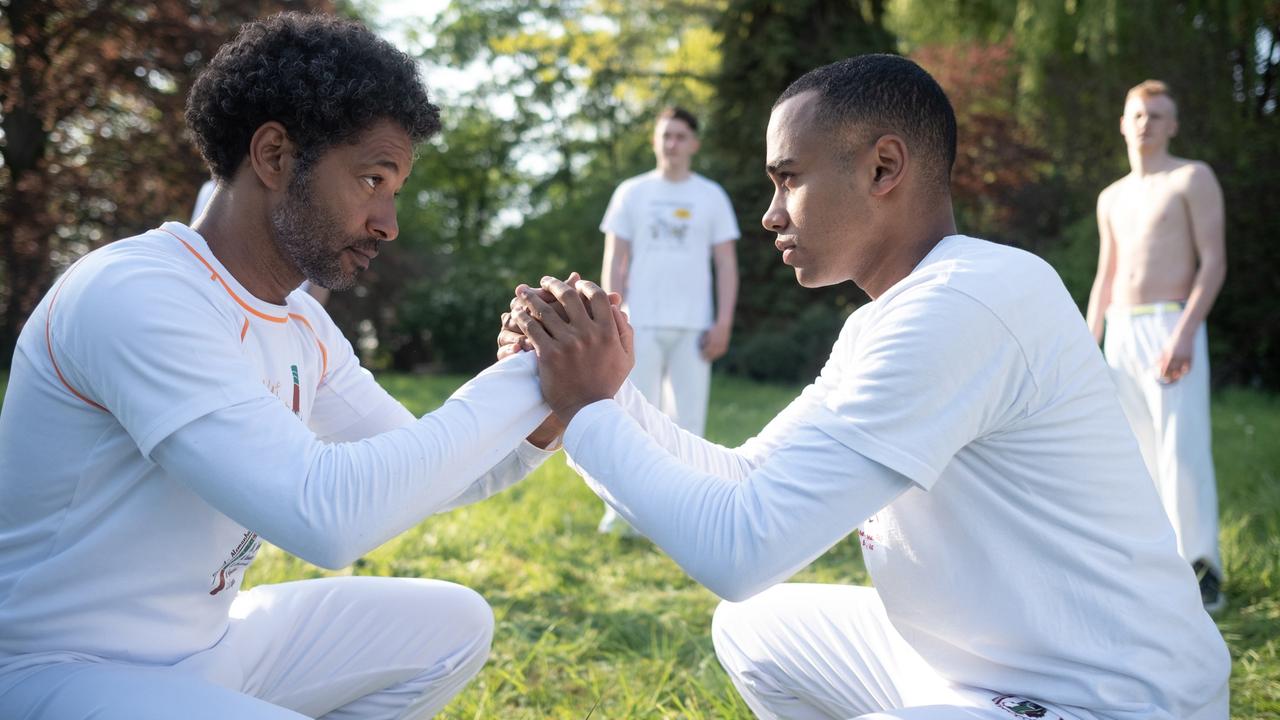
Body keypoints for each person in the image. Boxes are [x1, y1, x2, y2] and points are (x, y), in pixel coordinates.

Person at [503, 55, 1229, 719]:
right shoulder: (888, 318)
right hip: (965, 675)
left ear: (885, 168)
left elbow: (741, 550)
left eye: (789, 177)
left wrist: (585, 405)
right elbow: (744, 477)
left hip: (1108, 698)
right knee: (755, 630)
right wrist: (603, 393)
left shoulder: (968, 301)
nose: (770, 213)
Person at [0, 13, 564, 719]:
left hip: (205, 653)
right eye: (371, 178)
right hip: (56, 673)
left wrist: (547, 392)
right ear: (273, 156)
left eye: (396, 188)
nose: (389, 221)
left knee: (455, 624)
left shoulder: (302, 324)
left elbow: (439, 470)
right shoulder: (135, 293)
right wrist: (516, 386)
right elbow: (322, 516)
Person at [1085, 79, 1227, 612]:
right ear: (1124, 122)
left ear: (1173, 125)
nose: (1147, 124)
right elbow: (1106, 275)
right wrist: (1087, 341)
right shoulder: (1111, 197)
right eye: (1139, 115)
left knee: (1180, 451)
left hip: (1173, 325)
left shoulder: (1191, 178)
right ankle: (1151, 570)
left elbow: (1213, 263)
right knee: (1136, 455)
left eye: (1158, 116)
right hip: (1120, 330)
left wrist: (1185, 333)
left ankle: (1201, 567)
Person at [596, 106, 740, 534]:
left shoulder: (710, 196)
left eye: (680, 136)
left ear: (694, 144)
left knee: (688, 423)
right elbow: (615, 260)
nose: (672, 143)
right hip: (639, 323)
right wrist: (613, 315)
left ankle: (685, 512)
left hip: (695, 326)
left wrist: (724, 322)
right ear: (655, 141)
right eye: (666, 136)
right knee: (635, 419)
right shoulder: (631, 193)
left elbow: (727, 266)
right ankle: (625, 513)